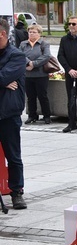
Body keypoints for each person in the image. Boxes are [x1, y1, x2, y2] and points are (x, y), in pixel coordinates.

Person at [0, 18, 27, 209]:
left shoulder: (16, 55)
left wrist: (3, 79)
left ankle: (16, 192)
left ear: (2, 34)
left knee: (13, 156)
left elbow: (5, 76)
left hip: (8, 114)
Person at [19, 25, 51, 124]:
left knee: (42, 96)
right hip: (28, 75)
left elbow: (46, 56)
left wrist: (34, 64)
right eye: (30, 32)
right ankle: (32, 115)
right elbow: (20, 55)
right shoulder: (23, 44)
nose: (31, 33)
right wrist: (29, 63)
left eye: (34, 32)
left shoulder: (44, 44)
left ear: (39, 33)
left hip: (41, 75)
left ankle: (46, 116)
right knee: (30, 97)